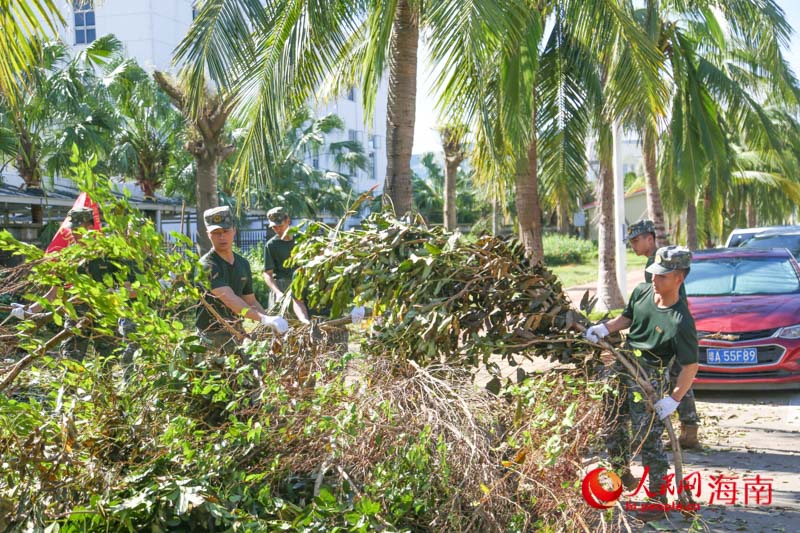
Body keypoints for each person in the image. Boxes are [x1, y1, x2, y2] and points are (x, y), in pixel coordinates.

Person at [585, 245, 699, 521]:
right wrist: (605, 328)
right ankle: (621, 472)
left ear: (679, 279)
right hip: (624, 364)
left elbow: (690, 366)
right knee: (611, 424)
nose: (655, 280)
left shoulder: (681, 321)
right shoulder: (643, 292)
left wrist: (673, 399)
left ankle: (657, 500)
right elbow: (629, 317)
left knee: (647, 438)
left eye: (662, 276)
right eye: (653, 274)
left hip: (651, 377)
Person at [626, 220, 700, 448]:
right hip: (670, 328)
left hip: (670, 331)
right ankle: (689, 430)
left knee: (676, 378)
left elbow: (660, 301)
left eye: (636, 240)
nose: (633, 246)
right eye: (630, 242)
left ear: (650, 238)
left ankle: (683, 431)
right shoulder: (661, 260)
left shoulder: (662, 261)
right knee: (678, 378)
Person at [196, 206, 288, 352]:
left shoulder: (242, 264)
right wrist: (263, 319)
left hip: (236, 332)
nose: (222, 237)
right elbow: (230, 299)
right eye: (216, 233)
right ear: (208, 235)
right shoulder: (207, 265)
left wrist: (271, 321)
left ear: (234, 230)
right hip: (211, 336)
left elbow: (250, 301)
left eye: (225, 231)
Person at [262, 206, 311, 323]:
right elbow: (267, 274)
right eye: (274, 227)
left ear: (288, 221)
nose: (278, 229)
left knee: (303, 324)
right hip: (281, 288)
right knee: (281, 325)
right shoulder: (271, 245)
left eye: (280, 226)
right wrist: (277, 292)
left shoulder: (303, 239)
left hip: (301, 287)